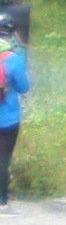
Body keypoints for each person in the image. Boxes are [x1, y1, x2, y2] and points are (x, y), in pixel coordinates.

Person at [0, 14, 29, 212]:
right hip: (7, 119)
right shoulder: (14, 59)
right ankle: (2, 203)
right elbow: (24, 87)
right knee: (2, 159)